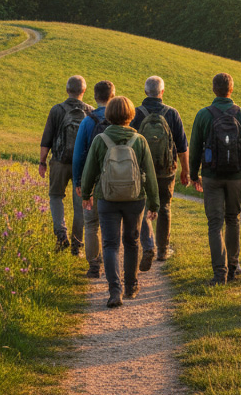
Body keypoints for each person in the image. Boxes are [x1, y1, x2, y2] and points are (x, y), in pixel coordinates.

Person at [80, 96, 160, 308]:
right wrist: (154, 204)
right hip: (135, 199)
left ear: (109, 115)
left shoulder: (100, 140)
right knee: (132, 242)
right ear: (131, 115)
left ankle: (115, 291)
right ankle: (131, 286)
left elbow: (89, 171)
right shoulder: (139, 141)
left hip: (107, 198)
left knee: (110, 244)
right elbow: (150, 175)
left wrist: (86, 194)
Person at [189, 72, 241, 285]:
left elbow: (195, 147)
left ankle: (220, 273)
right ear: (231, 89)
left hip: (211, 176)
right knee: (233, 219)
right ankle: (233, 267)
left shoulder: (203, 115)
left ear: (213, 89)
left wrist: (194, 175)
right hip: (236, 176)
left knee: (215, 223)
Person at [130, 75, 190, 266]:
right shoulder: (172, 114)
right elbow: (182, 147)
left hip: (140, 170)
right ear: (162, 92)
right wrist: (185, 171)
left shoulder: (135, 113)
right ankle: (163, 250)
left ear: (145, 91)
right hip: (166, 170)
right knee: (164, 207)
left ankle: (148, 246)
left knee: (142, 206)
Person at [38, 75, 92, 253]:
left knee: (56, 197)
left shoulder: (57, 110)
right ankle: (77, 245)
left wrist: (42, 162)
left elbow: (46, 139)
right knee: (80, 204)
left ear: (67, 90)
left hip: (60, 161)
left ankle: (61, 235)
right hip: (82, 166)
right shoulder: (90, 112)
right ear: (84, 91)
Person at [72, 80, 115, 278]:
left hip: (93, 179)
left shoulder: (88, 121)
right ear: (113, 96)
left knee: (91, 224)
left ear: (95, 97)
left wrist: (78, 182)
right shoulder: (121, 119)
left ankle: (93, 266)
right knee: (112, 223)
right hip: (115, 180)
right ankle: (111, 261)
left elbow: (78, 155)